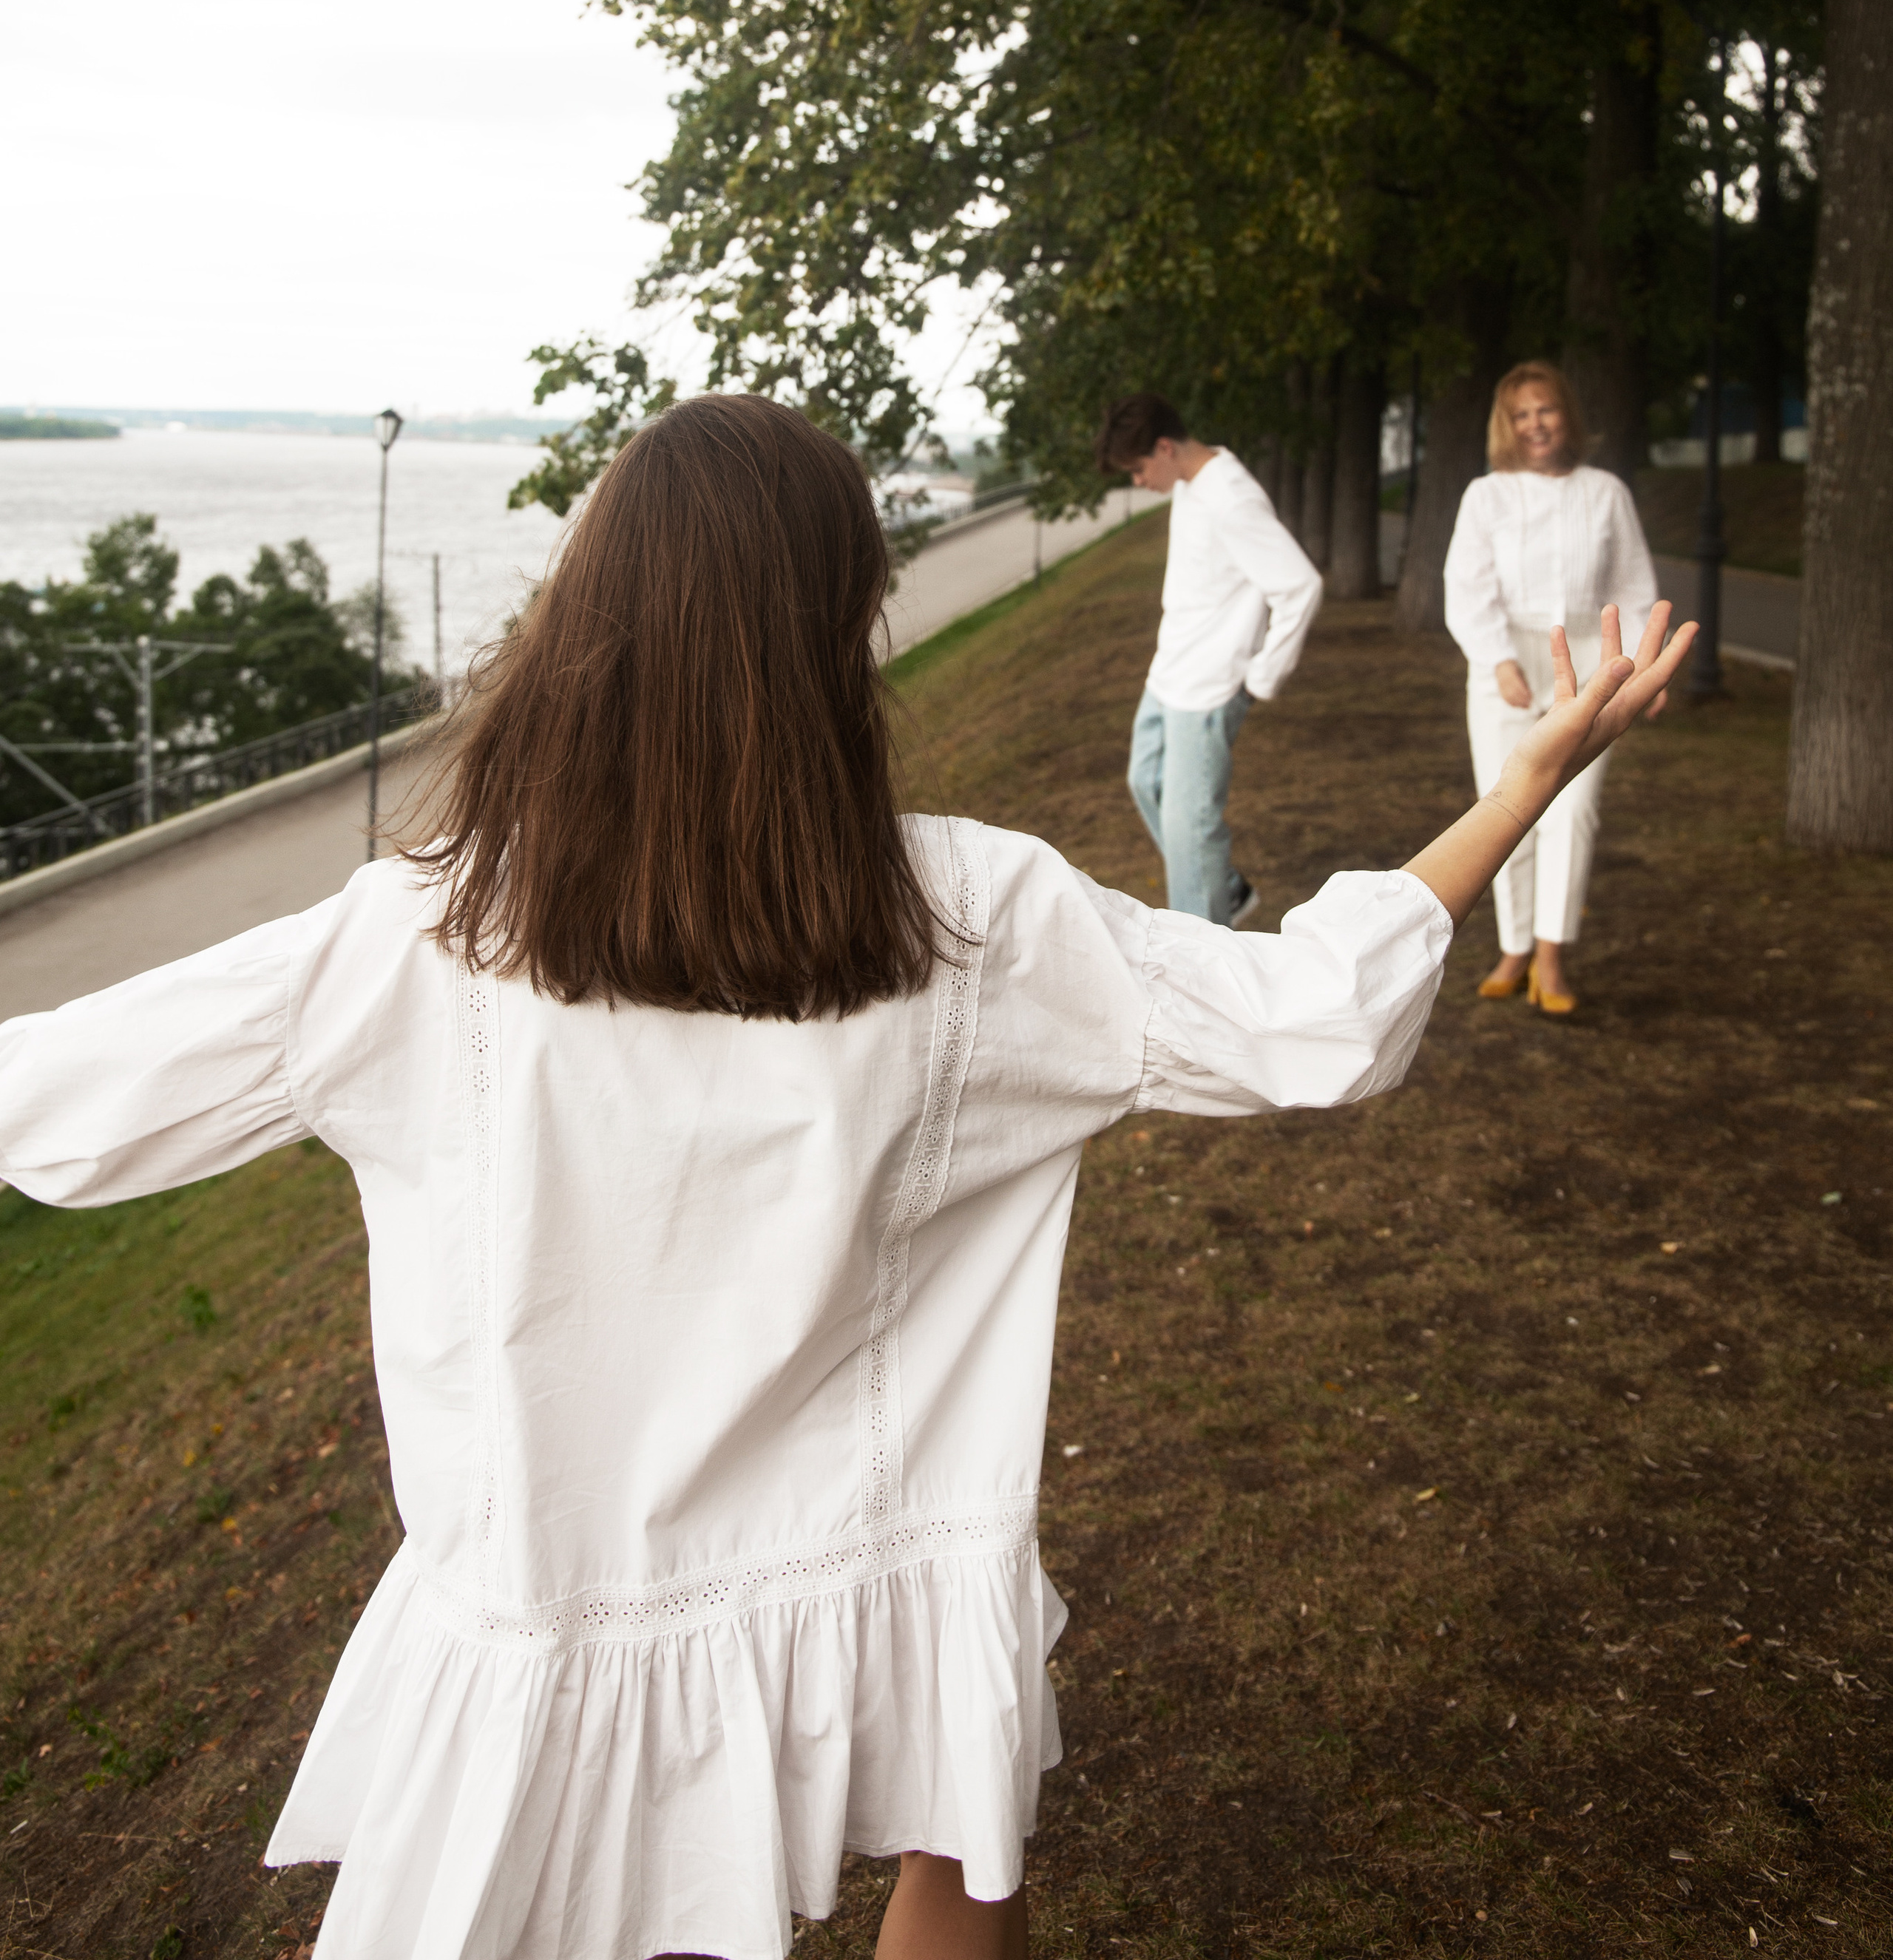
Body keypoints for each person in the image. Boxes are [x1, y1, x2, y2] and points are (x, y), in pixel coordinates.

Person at [0, 395, 1692, 1960]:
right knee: (958, 1843)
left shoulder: (412, 939)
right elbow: (1306, 1011)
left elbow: (57, 1105)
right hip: (880, 1552)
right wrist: (1520, 782)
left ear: (584, 617)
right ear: (843, 625)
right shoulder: (971, 918)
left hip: (539, 1614)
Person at [1443, 359, 1662, 1014]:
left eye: (1546, 410)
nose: (1536, 425)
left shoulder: (1605, 493)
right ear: (1507, 426)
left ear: (1567, 414)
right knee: (1506, 807)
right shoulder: (1487, 495)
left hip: (1589, 664)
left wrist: (1643, 673)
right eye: (1522, 414)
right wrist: (1497, 658)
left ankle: (1551, 953)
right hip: (1509, 661)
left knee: (1574, 809)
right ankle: (1512, 945)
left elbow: (1633, 586)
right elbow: (1467, 587)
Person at [1094, 391, 1322, 925]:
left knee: (1190, 830)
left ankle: (1205, 959)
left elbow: (1301, 586)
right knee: (1143, 781)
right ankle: (1226, 889)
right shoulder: (1193, 481)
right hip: (1169, 674)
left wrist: (1261, 678)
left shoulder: (1232, 499)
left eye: (1137, 468)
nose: (1138, 481)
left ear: (1166, 448)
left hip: (1208, 690)